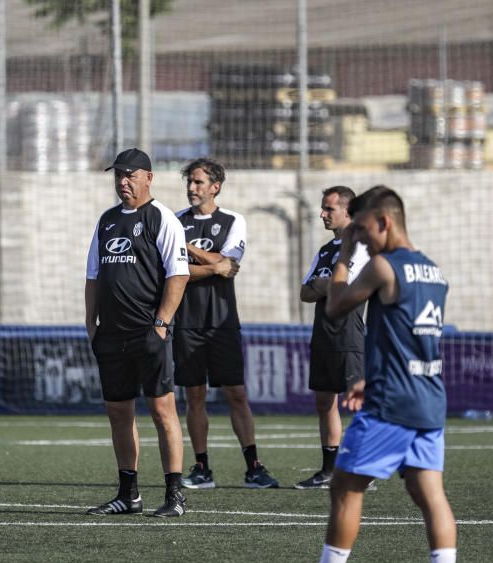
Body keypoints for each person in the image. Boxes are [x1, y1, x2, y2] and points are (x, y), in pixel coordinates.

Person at [268, 186, 458, 563]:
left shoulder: (383, 266)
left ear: (385, 222)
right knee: (430, 494)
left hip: (393, 405)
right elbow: (408, 338)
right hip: (429, 398)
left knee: (344, 486)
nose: (364, 238)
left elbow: (335, 305)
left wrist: (345, 252)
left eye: (366, 229)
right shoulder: (433, 270)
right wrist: (370, 377)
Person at [85, 147, 191, 517]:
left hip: (149, 332)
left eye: (130, 175)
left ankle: (174, 494)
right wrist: (91, 325)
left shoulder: (161, 218)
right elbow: (94, 276)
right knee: (118, 412)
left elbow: (178, 275)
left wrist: (160, 324)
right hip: (111, 336)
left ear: (149, 177)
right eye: (118, 175)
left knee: (163, 411)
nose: (123, 181)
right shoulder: (108, 220)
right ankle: (128, 494)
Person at [174, 158, 279, 490]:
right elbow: (176, 271)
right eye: (190, 182)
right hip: (186, 321)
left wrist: (190, 252)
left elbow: (230, 264)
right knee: (194, 396)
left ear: (215, 186)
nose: (192, 188)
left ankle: (254, 467)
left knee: (236, 392)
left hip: (222, 321)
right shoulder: (175, 222)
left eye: (199, 182)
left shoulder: (233, 220)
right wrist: (210, 262)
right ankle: (202, 468)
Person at [295, 185, 370, 489]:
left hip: (349, 334)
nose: (322, 214)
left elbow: (345, 288)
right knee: (325, 402)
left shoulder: (361, 245)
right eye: (323, 208)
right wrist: (324, 285)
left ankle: (364, 469)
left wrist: (323, 285)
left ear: (347, 211)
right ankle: (329, 471)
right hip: (322, 334)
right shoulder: (326, 250)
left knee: (356, 404)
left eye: (329, 209)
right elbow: (304, 292)